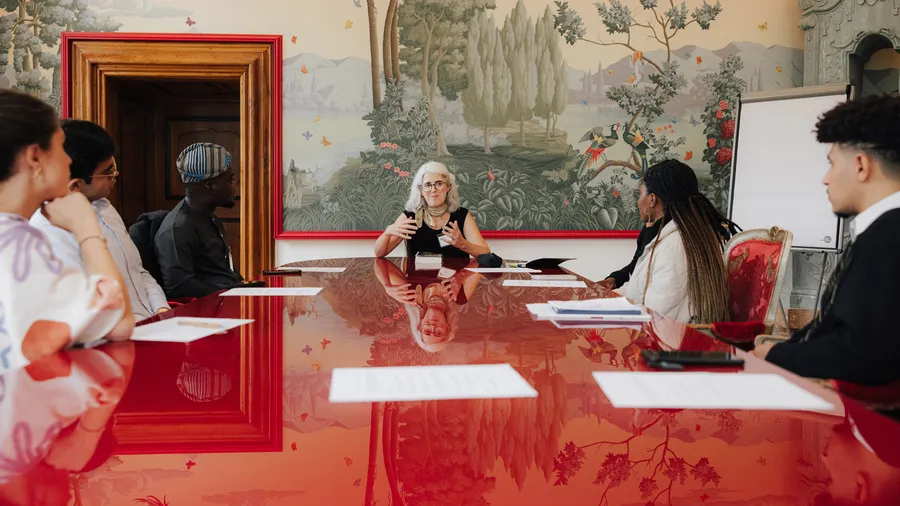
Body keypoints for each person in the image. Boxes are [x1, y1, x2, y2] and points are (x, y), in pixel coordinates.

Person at [754, 95, 900, 386]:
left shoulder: (886, 239)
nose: (826, 178)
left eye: (832, 164)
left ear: (861, 166)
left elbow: (862, 355)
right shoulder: (883, 232)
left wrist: (774, 354)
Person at [0, 89, 133, 373]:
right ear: (35, 157)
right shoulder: (19, 241)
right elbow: (117, 322)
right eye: (61, 147)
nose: (67, 160)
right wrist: (87, 230)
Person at [29, 119, 170, 321]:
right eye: (107, 172)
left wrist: (161, 309)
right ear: (76, 185)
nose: (116, 174)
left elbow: (137, 271)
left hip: (149, 324)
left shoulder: (106, 208)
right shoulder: (50, 234)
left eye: (113, 165)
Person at [616, 159, 739, 324]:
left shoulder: (674, 246)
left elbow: (656, 313)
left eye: (640, 194)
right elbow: (638, 289)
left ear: (652, 199)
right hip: (674, 337)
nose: (638, 202)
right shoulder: (686, 236)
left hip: (668, 343)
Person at [154, 142, 243, 299]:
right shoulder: (178, 228)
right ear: (210, 185)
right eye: (230, 180)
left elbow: (224, 273)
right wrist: (229, 294)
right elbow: (179, 286)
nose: (234, 186)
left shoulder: (210, 219)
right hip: (208, 317)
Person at [374, 161, 490, 259]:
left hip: (453, 283)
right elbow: (379, 254)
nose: (433, 189)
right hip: (418, 284)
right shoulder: (410, 216)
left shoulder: (461, 215)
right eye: (428, 185)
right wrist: (387, 233)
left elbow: (486, 253)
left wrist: (463, 244)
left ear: (448, 187)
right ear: (421, 190)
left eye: (439, 184)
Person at [374, 257, 482, 352]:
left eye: (426, 331)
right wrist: (461, 276)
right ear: (448, 328)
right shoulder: (459, 297)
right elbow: (482, 261)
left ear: (420, 325)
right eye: (438, 332)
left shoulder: (411, 295)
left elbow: (380, 261)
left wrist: (386, 285)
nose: (432, 327)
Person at [599, 219, 661, 290]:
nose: (638, 207)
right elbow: (636, 265)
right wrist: (614, 279)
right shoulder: (648, 228)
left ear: (652, 206)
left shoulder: (667, 233)